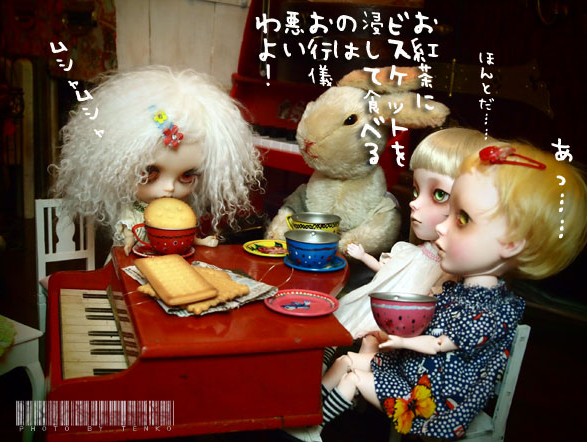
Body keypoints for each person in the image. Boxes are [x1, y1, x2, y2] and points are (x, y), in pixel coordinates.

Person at [293, 141, 587, 441]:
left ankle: (313, 429)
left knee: (354, 378)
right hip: (412, 372)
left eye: (463, 219)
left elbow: (438, 344)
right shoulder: (456, 292)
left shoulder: (489, 311)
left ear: (512, 243)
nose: (443, 228)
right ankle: (302, 411)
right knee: (346, 360)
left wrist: (400, 340)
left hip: (433, 399)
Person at [51, 66, 262, 254]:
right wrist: (128, 238)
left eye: (187, 176)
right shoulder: (134, 211)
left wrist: (200, 241)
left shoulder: (181, 211)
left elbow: (187, 237)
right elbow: (127, 231)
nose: (169, 188)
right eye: (150, 173)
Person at [335, 127, 502, 339]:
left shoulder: (451, 272)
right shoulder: (412, 252)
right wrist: (362, 256)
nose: (414, 203)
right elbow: (386, 272)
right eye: (416, 191)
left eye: (439, 194)